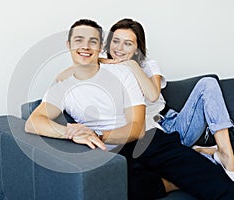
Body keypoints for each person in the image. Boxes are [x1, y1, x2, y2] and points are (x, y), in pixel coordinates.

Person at [25, 18, 234, 199]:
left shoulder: (123, 73)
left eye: (93, 41)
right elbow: (33, 122)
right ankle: (174, 183)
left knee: (214, 182)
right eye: (79, 40)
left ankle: (207, 163)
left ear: (99, 47)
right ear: (69, 44)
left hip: (146, 139)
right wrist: (71, 133)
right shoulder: (62, 85)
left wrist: (97, 133)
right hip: (110, 152)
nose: (85, 46)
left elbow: (137, 129)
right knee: (115, 188)